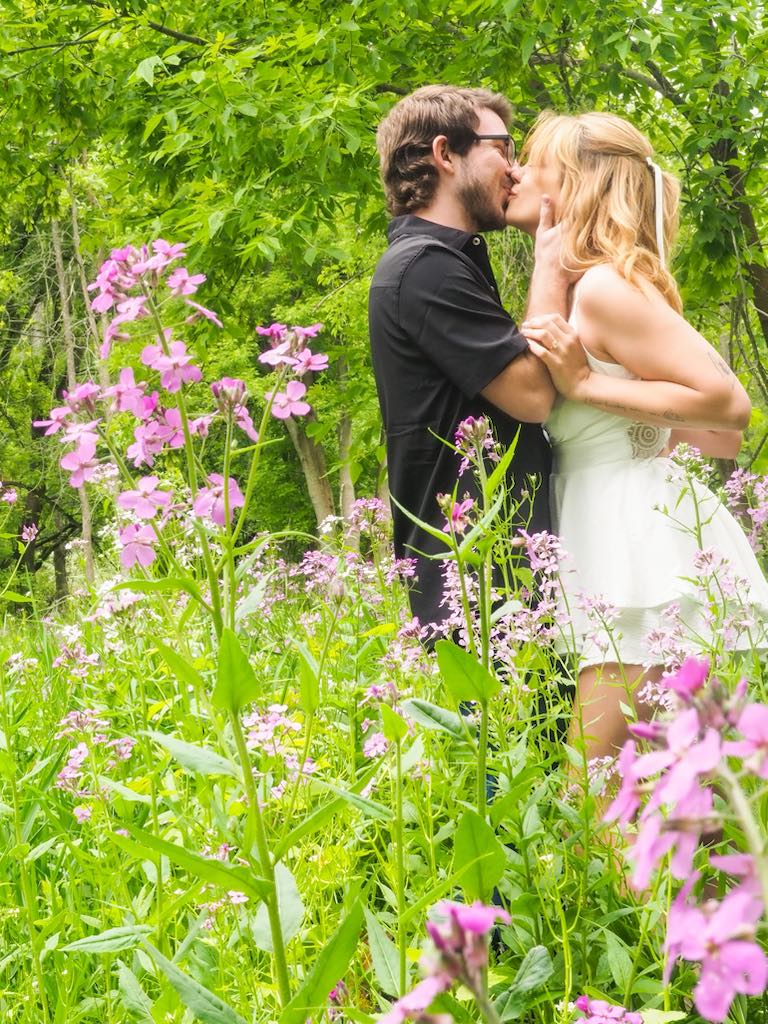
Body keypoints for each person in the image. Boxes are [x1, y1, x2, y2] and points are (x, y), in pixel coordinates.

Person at [503, 110, 768, 762]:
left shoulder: (604, 287)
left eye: (534, 162)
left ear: (573, 183)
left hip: (634, 556)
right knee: (655, 792)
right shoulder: (584, 286)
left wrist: (586, 386)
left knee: (593, 791)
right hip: (611, 534)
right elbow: (699, 433)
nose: (515, 173)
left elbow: (727, 406)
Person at [368, 85, 576, 627]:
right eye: (503, 148)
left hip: (496, 570)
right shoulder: (425, 268)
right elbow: (532, 396)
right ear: (445, 153)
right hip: (478, 584)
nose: (514, 169)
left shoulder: (439, 263)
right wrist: (548, 268)